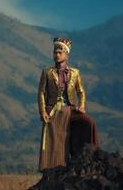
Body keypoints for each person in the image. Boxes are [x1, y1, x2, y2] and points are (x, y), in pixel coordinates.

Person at [37, 37, 99, 173]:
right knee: (56, 141)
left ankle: (89, 157)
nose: (56, 54)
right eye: (55, 52)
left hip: (70, 109)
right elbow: (41, 93)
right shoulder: (47, 73)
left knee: (89, 122)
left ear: (66, 54)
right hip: (52, 110)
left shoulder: (75, 73)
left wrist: (81, 106)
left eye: (60, 52)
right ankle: (53, 169)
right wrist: (43, 112)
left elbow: (81, 92)